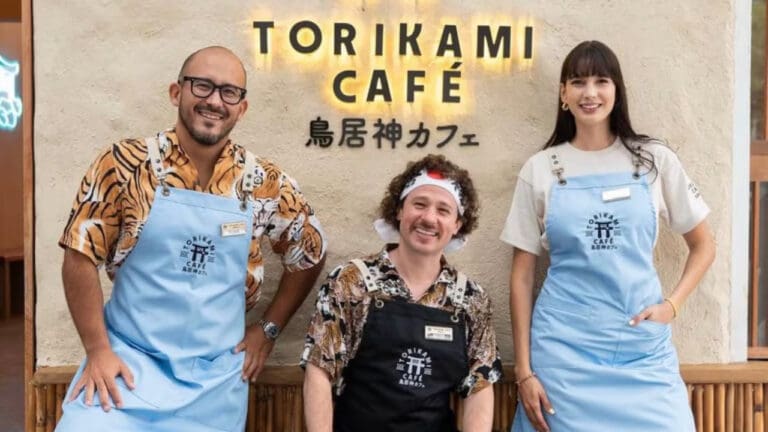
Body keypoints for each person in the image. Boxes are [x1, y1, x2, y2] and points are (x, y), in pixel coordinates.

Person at [55, 46, 327, 432]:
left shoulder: (264, 182)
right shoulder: (124, 164)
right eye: (202, 86)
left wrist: (268, 330)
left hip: (213, 385)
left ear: (242, 108)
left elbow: (311, 252)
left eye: (229, 92)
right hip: (125, 368)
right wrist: (98, 350)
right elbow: (79, 254)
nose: (215, 100)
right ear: (176, 92)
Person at [501, 40, 715, 432]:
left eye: (602, 81)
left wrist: (672, 305)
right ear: (563, 94)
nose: (590, 93)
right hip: (563, 352)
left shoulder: (654, 160)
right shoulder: (542, 168)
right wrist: (525, 372)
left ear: (617, 91)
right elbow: (522, 276)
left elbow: (704, 245)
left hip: (641, 348)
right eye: (578, 82)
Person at [301, 154, 502, 432]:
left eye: (443, 210)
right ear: (398, 210)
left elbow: (479, 386)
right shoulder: (352, 280)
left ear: (457, 224)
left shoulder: (470, 299)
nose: (429, 218)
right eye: (419, 204)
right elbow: (319, 370)